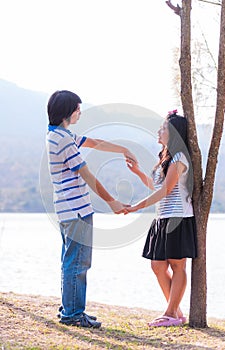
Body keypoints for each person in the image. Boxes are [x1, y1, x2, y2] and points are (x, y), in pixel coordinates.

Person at [46, 90, 137, 328]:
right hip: (76, 209)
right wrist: (112, 202)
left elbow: (94, 143)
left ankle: (70, 308)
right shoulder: (63, 140)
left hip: (67, 209)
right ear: (69, 111)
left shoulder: (59, 135)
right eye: (77, 109)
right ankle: (73, 314)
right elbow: (86, 174)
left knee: (71, 260)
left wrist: (122, 149)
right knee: (78, 262)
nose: (80, 113)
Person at [125, 110, 197, 327]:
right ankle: (174, 311)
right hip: (163, 217)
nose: (159, 131)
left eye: (163, 128)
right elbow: (157, 186)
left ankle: (171, 313)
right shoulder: (165, 157)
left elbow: (166, 190)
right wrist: (138, 172)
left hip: (177, 217)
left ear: (173, 133)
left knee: (177, 265)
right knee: (157, 266)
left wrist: (138, 206)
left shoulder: (179, 157)